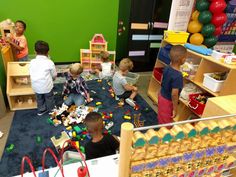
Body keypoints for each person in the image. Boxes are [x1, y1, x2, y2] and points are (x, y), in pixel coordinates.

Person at [158, 45, 187, 125]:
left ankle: (161, 126)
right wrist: (175, 108)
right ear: (183, 60)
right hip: (167, 101)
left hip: (161, 94)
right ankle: (164, 134)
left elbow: (162, 79)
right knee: (166, 122)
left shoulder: (167, 67)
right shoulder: (178, 75)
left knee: (162, 115)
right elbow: (174, 94)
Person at [29, 40, 57, 116]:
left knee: (39, 98)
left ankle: (41, 110)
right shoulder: (49, 62)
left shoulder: (32, 62)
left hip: (36, 86)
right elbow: (54, 74)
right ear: (48, 52)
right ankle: (51, 110)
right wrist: (53, 78)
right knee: (49, 97)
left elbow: (30, 73)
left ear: (35, 52)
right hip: (47, 86)